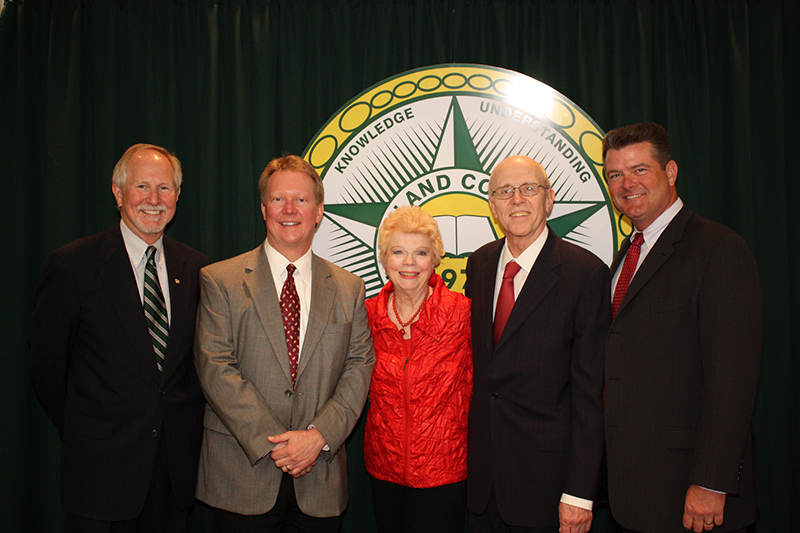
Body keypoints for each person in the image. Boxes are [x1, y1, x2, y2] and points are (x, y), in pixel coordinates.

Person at [29, 144, 209, 532]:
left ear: (178, 195)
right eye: (142, 187)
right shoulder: (73, 265)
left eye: (164, 188)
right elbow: (47, 369)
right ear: (117, 192)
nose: (154, 200)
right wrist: (87, 429)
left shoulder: (197, 269)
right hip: (99, 477)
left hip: (173, 478)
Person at [193, 154, 375, 532]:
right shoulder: (219, 279)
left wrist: (318, 437)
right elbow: (215, 367)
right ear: (263, 208)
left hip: (320, 478)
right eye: (278, 199)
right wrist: (277, 444)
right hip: (242, 474)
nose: (289, 209)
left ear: (319, 210)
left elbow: (359, 366)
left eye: (302, 200)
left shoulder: (349, 288)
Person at [602, 122, 762, 533]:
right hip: (632, 492)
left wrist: (711, 482)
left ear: (670, 173)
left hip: (691, 495)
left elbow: (733, 380)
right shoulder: (626, 254)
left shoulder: (718, 248)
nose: (626, 184)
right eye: (615, 175)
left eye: (639, 170)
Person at [464, 155, 610, 533]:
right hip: (482, 487)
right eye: (505, 191)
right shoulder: (478, 265)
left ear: (550, 199)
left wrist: (579, 493)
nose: (517, 200)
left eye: (529, 189)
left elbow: (590, 392)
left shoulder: (586, 273)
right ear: (492, 206)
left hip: (547, 488)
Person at [364, 206, 472, 533]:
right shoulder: (365, 315)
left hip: (445, 472)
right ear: (384, 260)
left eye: (420, 252)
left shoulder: (463, 313)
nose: (409, 262)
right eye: (398, 252)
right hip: (385, 471)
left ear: (435, 260)